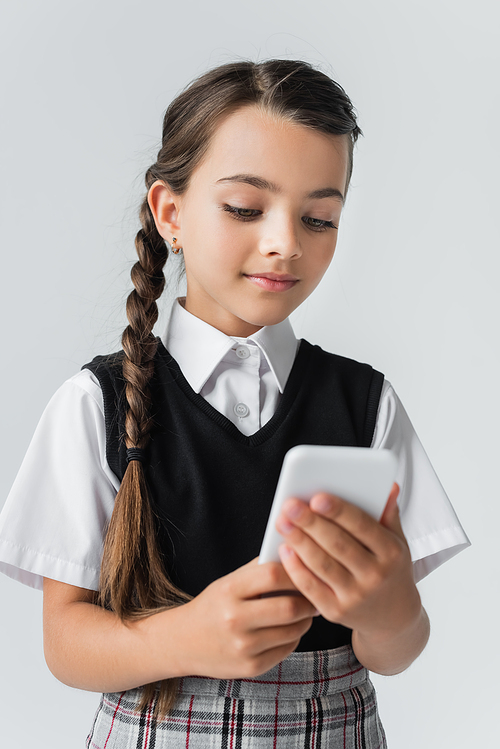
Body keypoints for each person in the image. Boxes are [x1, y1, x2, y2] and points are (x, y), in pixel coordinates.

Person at [0, 59, 470, 748]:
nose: (285, 243)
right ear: (171, 214)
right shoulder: (95, 403)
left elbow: (395, 648)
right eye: (246, 208)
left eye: (319, 216)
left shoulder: (366, 403)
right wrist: (184, 639)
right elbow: (66, 643)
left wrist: (393, 610)